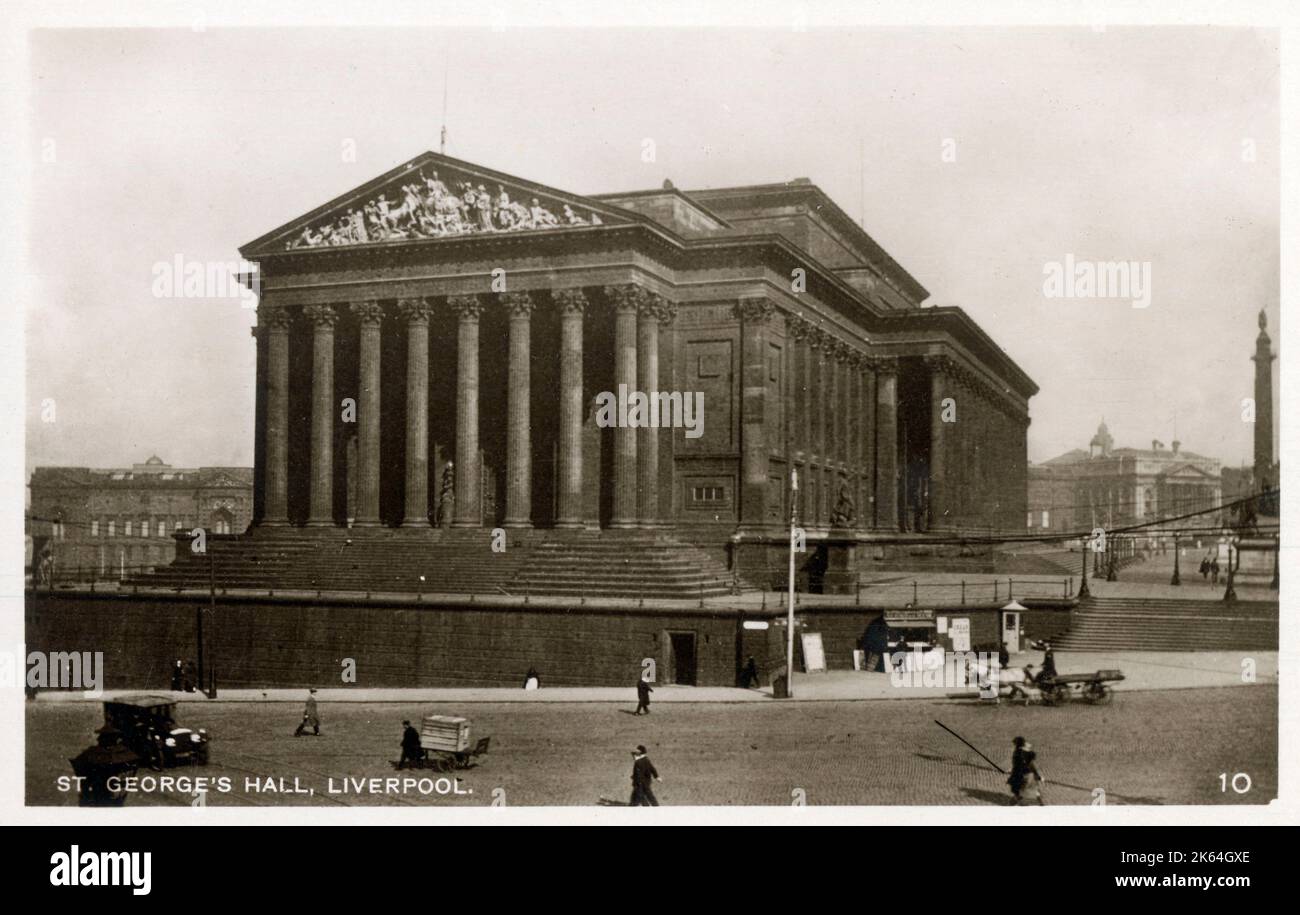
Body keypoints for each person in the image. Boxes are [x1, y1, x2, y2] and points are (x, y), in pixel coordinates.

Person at [1007, 736, 1045, 805]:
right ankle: (1042, 805)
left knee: (1018, 794)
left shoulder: (1016, 753)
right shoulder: (1027, 753)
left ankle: (1011, 806)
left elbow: (1020, 766)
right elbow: (1031, 765)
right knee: (1036, 792)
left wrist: (1013, 771)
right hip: (1030, 776)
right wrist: (1038, 776)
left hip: (1022, 776)